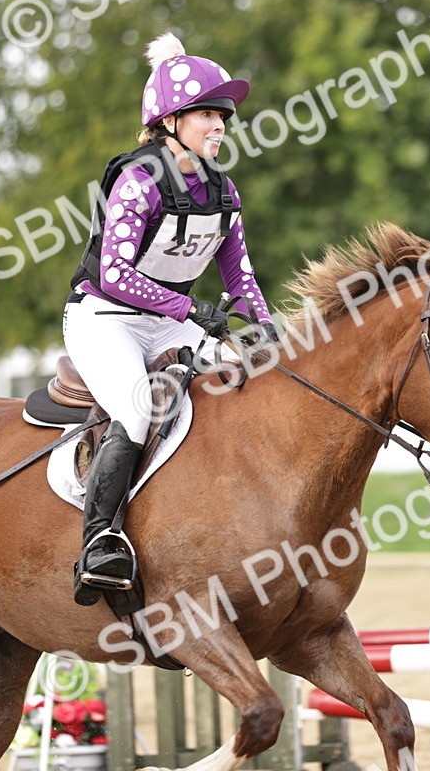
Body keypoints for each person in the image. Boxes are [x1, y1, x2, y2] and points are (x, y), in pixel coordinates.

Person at [64, 32, 277, 604]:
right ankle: (99, 541)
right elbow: (113, 275)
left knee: (251, 386)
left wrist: (264, 329)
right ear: (170, 121)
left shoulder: (223, 193)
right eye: (208, 114)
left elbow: (241, 280)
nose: (220, 126)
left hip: (169, 320)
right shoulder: (138, 181)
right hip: (104, 317)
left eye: (223, 117)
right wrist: (192, 309)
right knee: (137, 409)